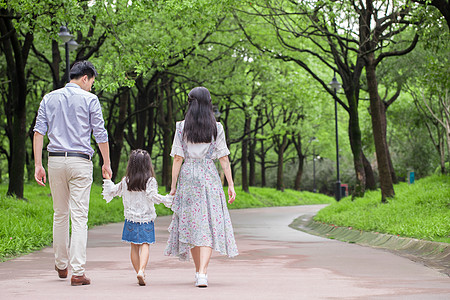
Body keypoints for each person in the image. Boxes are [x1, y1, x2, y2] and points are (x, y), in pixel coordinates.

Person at [33, 61, 111, 286]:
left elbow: (39, 132)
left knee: (60, 213)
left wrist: (38, 164)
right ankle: (77, 271)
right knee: (79, 216)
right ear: (85, 78)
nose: (91, 88)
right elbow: (100, 133)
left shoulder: (49, 98)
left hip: (55, 160)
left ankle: (61, 265)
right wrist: (106, 163)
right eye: (92, 83)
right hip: (80, 161)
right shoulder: (90, 100)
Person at [164, 86, 238, 288]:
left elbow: (178, 158)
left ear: (190, 103)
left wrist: (173, 187)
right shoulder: (217, 127)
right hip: (209, 176)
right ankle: (202, 273)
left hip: (188, 177)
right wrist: (230, 184)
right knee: (207, 225)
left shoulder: (181, 127)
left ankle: (199, 272)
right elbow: (223, 158)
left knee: (193, 226)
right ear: (208, 103)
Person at [102, 149, 173, 286]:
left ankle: (139, 272)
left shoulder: (126, 181)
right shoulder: (150, 181)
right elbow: (153, 196)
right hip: (146, 219)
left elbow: (112, 191)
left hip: (130, 219)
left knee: (134, 247)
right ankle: (142, 270)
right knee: (145, 244)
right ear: (147, 165)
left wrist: (108, 180)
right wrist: (167, 199)